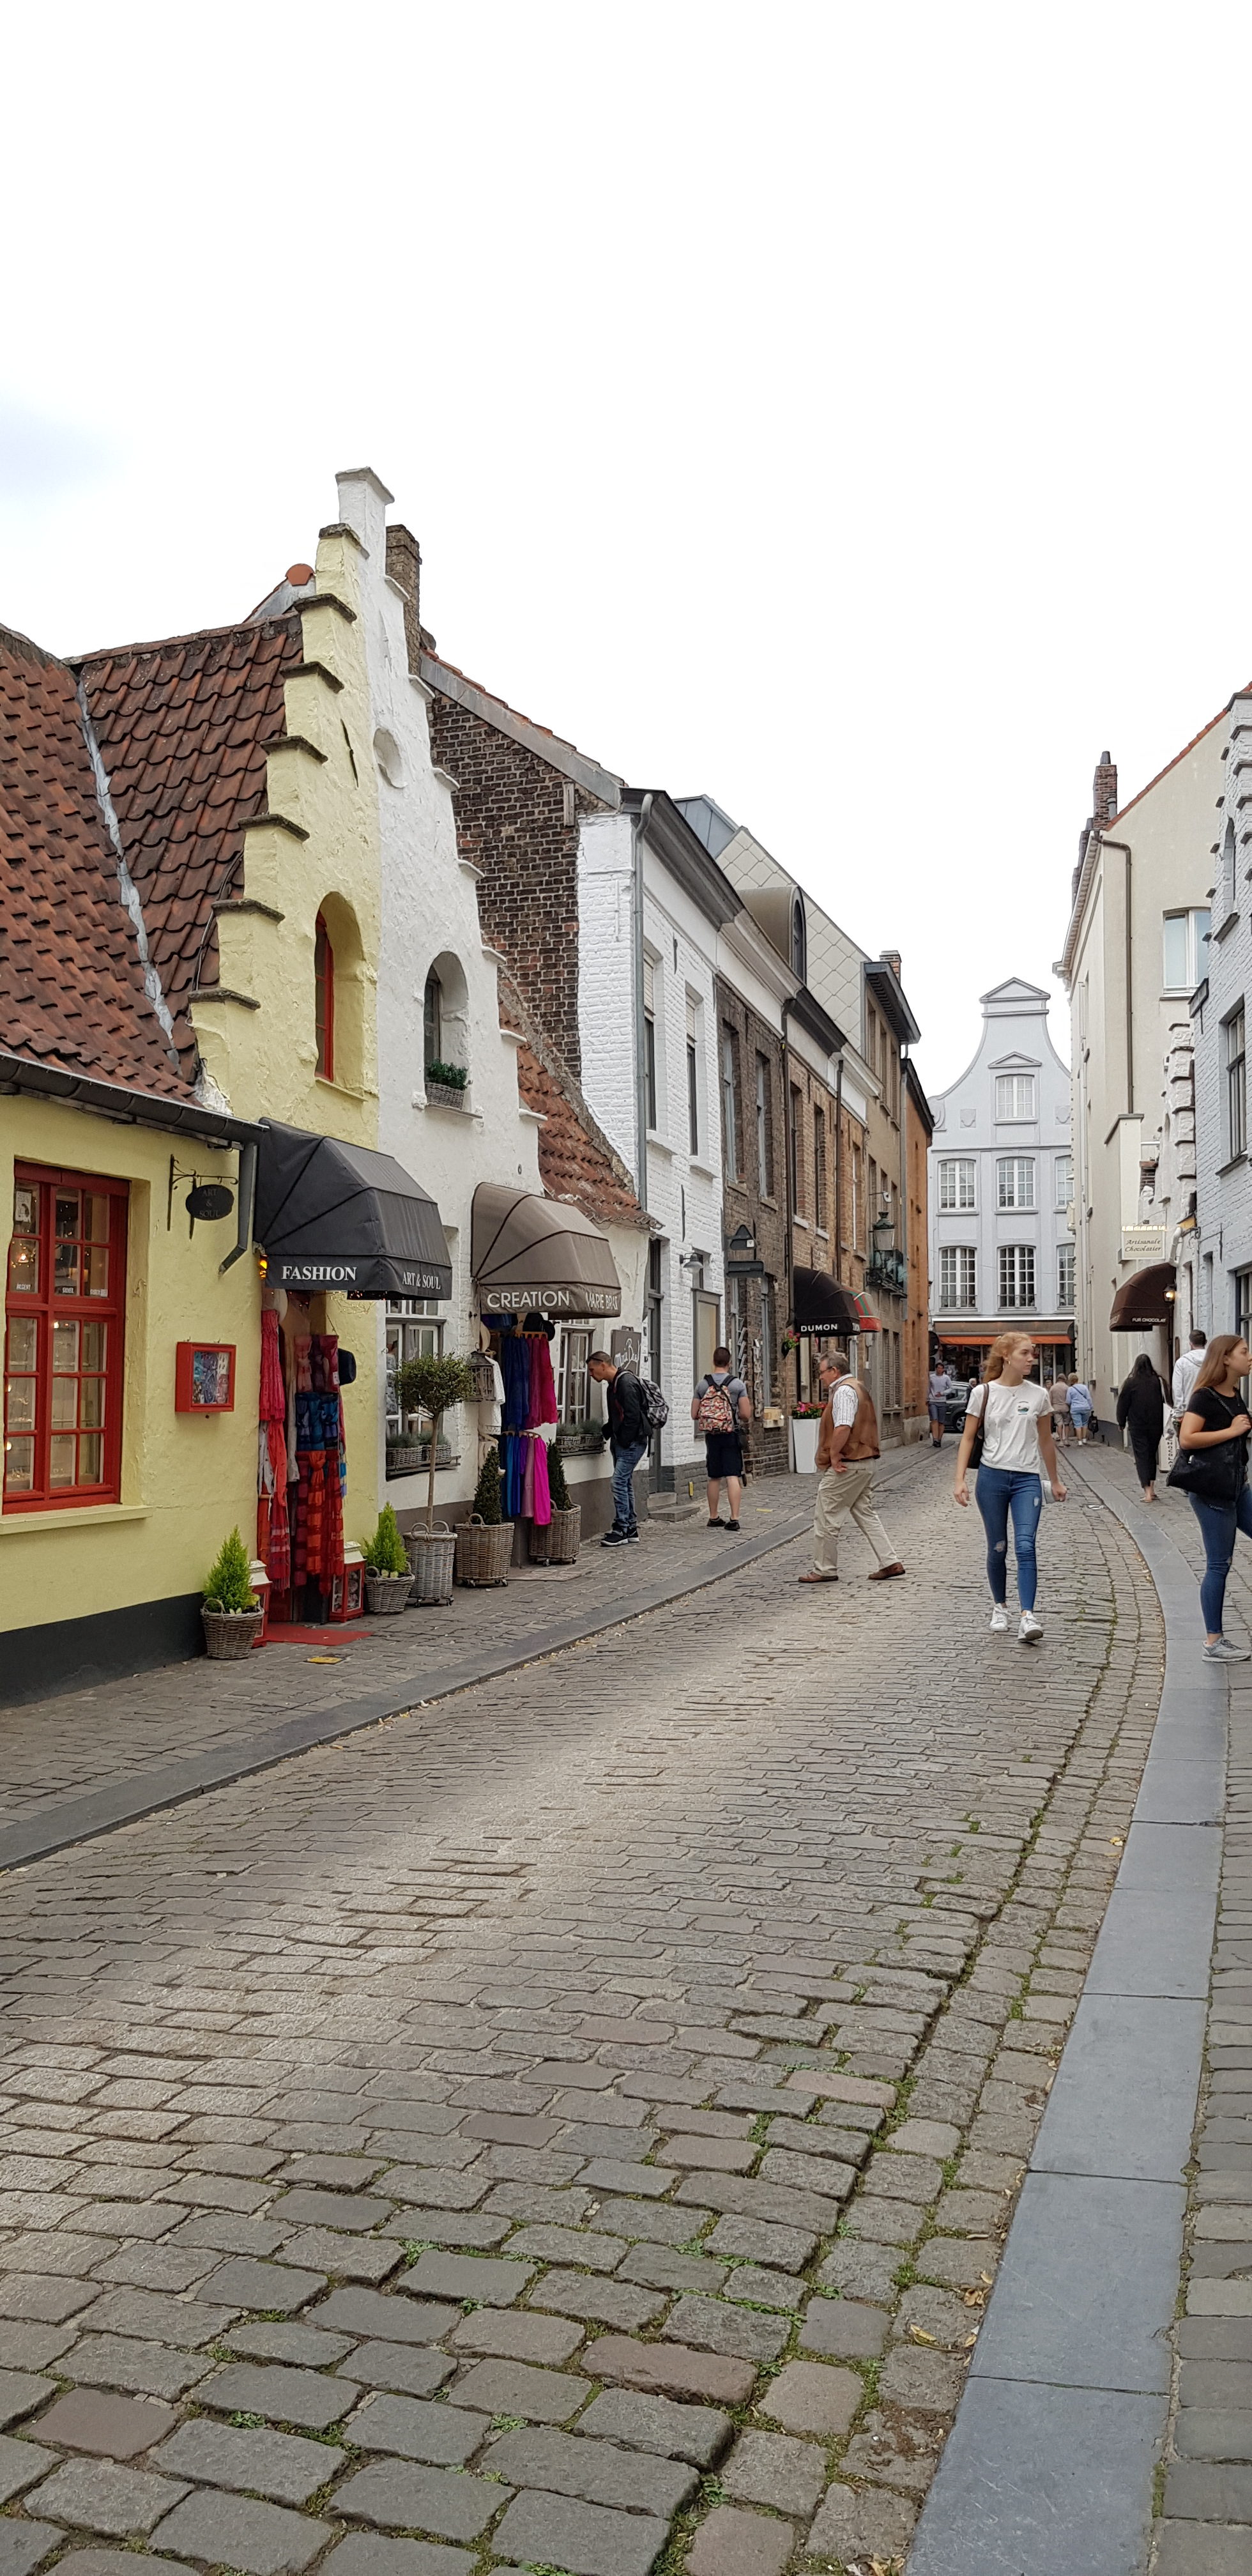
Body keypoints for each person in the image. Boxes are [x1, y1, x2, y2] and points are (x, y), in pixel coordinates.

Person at [953, 1331, 1067, 1643]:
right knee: (998, 1546)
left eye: (1033, 1353)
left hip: (1027, 1479)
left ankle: (1028, 1616)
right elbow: (967, 1438)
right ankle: (1000, 1606)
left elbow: (1046, 1441)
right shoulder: (984, 1393)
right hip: (991, 1477)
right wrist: (960, 1479)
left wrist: (1055, 1480)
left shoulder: (1039, 1395)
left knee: (1026, 1545)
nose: (1031, 1358)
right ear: (1006, 1356)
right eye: (1025, 1353)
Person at [798, 1349, 906, 1586]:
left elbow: (844, 1426)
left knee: (826, 1514)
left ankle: (824, 1568)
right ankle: (890, 1561)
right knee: (866, 1513)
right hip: (864, 1462)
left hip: (850, 1464)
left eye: (822, 1372)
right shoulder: (858, 1387)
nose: (820, 1377)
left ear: (834, 1371)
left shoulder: (844, 1391)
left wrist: (834, 1455)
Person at [1176, 1333, 1252, 1660]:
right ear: (1225, 1359)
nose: (1250, 1357)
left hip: (1237, 1487)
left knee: (1221, 1563)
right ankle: (1213, 1641)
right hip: (1212, 1491)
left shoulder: (1235, 1394)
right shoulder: (1204, 1397)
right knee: (1219, 1564)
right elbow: (1187, 1438)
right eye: (1244, 1351)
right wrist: (1232, 1431)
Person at [589, 1351, 650, 1547]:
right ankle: (630, 1528)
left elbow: (632, 1416)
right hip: (624, 1441)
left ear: (603, 1365)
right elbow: (618, 1415)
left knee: (618, 1482)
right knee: (625, 1483)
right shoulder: (613, 1385)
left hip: (633, 1442)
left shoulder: (625, 1383)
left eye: (592, 1369)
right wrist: (608, 1431)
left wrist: (623, 1440)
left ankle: (621, 1528)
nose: (590, 1374)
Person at [691, 1346, 752, 1529]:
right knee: (732, 1476)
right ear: (729, 1363)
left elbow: (694, 1414)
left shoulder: (703, 1385)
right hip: (730, 1434)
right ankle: (734, 1518)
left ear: (714, 1361)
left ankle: (713, 1517)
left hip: (712, 1436)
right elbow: (746, 1414)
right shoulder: (737, 1385)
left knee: (714, 1477)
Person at [1116, 1353, 1168, 1501]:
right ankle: (1152, 1489)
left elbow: (1123, 1404)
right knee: (1151, 1455)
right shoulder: (1158, 1381)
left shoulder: (1131, 1383)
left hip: (1138, 1425)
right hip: (1156, 1425)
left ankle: (1147, 1493)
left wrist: (1121, 1422)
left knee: (1142, 1457)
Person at [1173, 1328, 1208, 1418]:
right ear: (1206, 1342)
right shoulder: (1213, 1360)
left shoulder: (1182, 1362)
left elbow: (1177, 1389)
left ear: (1191, 1344)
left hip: (1189, 1409)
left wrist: (1179, 1412)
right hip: (1211, 1408)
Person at [927, 1361, 955, 1448]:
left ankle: (939, 1439)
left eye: (941, 1368)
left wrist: (943, 1393)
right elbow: (928, 1388)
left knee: (941, 1422)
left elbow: (951, 1388)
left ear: (943, 1369)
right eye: (938, 1368)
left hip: (942, 1401)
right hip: (933, 1401)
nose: (939, 1370)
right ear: (936, 1369)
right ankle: (935, 1439)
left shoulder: (946, 1378)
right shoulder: (931, 1377)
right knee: (934, 1420)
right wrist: (927, 1398)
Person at [1067, 1371, 1094, 1443]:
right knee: (1085, 1423)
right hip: (1085, 1407)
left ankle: (1080, 1441)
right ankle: (1084, 1439)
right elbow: (1088, 1398)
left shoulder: (1070, 1389)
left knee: (1078, 1425)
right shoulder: (1084, 1387)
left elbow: (1068, 1401)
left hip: (1075, 1408)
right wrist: (1091, 1407)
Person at [1048, 1370, 1071, 1445]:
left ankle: (1061, 1441)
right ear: (1064, 1379)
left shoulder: (1053, 1388)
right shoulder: (1067, 1388)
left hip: (1056, 1408)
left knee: (1059, 1424)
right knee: (1067, 1424)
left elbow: (1050, 1399)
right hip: (1065, 1407)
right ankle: (1066, 1440)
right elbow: (1069, 1399)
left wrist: (1050, 1409)